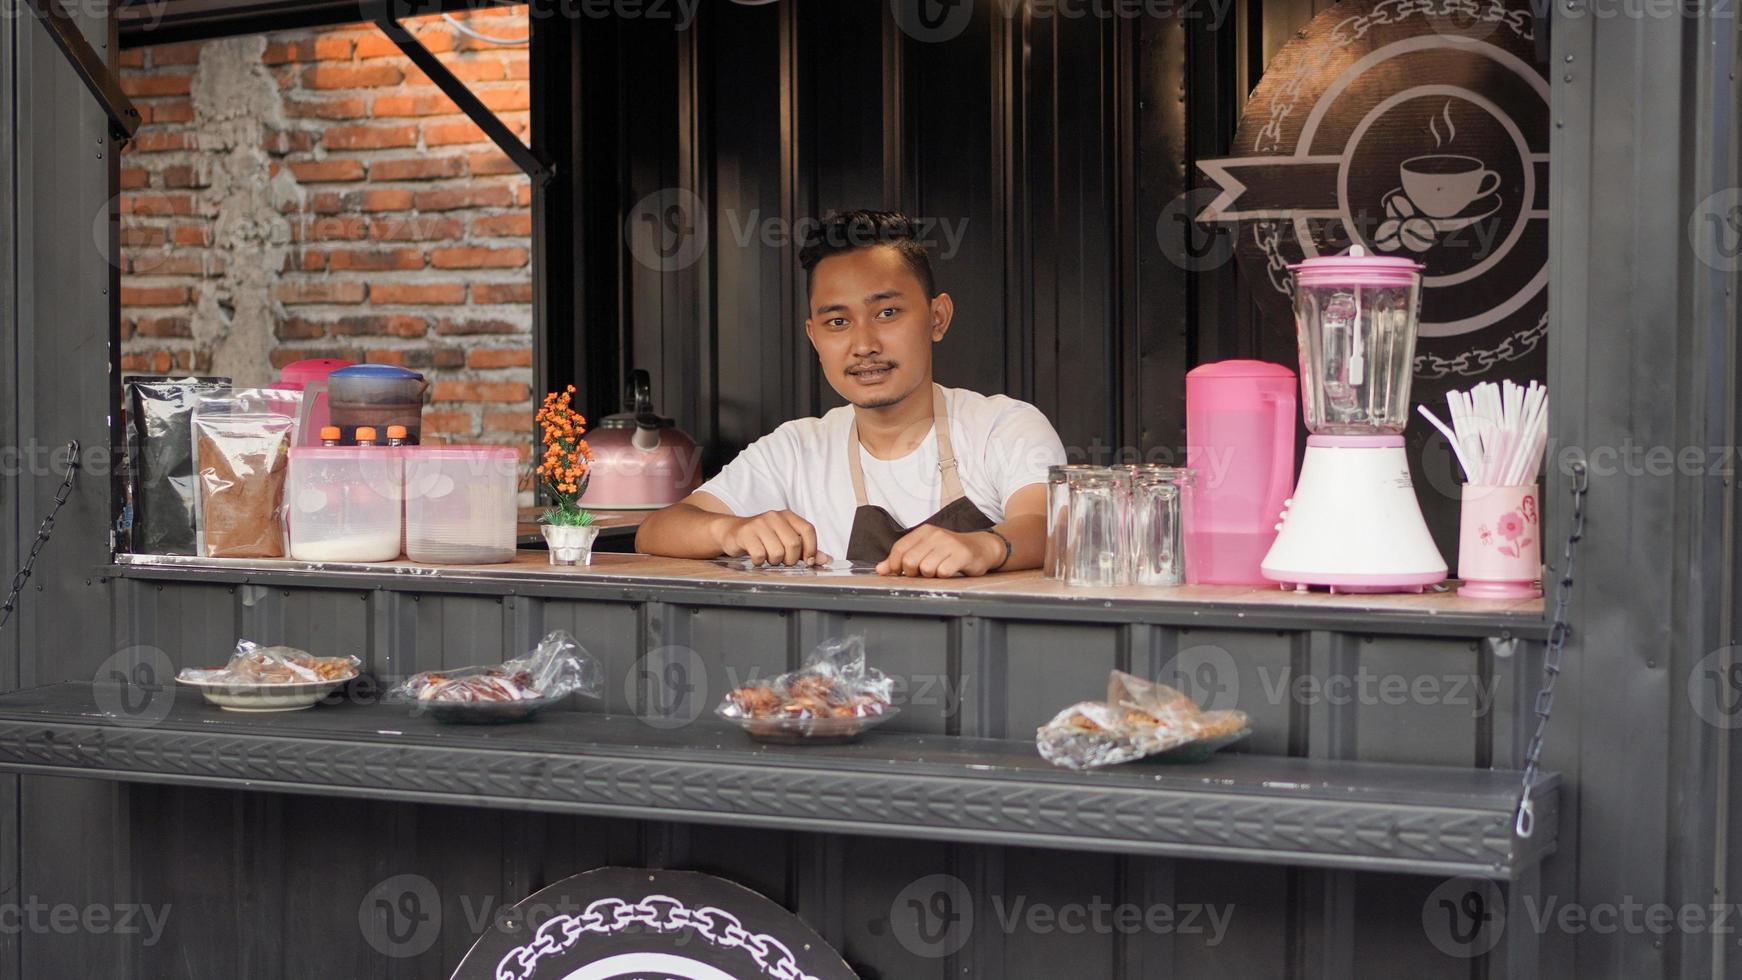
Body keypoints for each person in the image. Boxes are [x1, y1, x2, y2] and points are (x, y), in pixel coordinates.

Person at [635, 210, 1066, 578]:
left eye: (887, 313)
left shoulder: (1002, 426)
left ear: (938, 318)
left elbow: (1052, 526)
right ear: (814, 337)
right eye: (837, 322)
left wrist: (985, 547)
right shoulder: (796, 449)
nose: (864, 344)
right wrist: (730, 531)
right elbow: (658, 531)